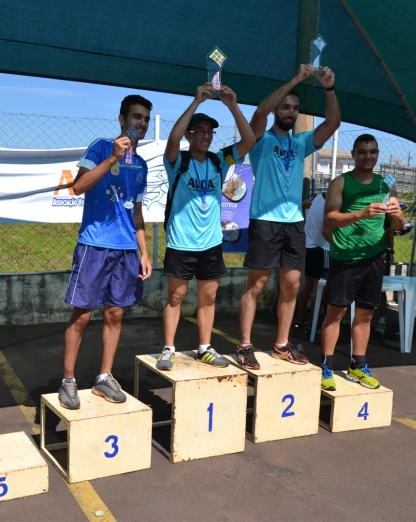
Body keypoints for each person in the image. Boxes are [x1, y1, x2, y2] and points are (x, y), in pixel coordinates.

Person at [236, 63, 341, 367]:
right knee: (255, 284)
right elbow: (258, 113)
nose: (290, 111)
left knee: (292, 284)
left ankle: (281, 343)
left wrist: (329, 87)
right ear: (277, 109)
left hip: (294, 223)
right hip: (265, 221)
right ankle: (245, 345)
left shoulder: (300, 143)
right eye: (285, 106)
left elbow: (332, 123)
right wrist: (295, 79)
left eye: (294, 107)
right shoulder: (259, 140)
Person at [58, 95, 154, 410]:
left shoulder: (141, 165)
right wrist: (112, 158)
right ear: (121, 119)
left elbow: (136, 214)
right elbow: (79, 186)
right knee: (82, 314)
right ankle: (68, 380)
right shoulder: (100, 147)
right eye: (136, 117)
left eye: (145, 119)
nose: (141, 124)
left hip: (127, 250)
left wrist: (144, 251)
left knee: (115, 313)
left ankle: (104, 377)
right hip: (95, 244)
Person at [156, 83, 255, 371]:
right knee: (175, 297)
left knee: (208, 297)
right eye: (200, 131)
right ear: (191, 134)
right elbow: (173, 140)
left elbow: (249, 141)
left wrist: (233, 106)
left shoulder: (218, 160)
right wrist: (196, 102)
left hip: (210, 243)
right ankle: (168, 348)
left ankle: (204, 348)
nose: (206, 136)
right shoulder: (179, 161)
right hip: (181, 242)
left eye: (210, 132)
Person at [320, 134, 405, 390]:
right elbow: (329, 220)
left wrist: (398, 216)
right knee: (337, 313)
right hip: (346, 257)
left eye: (372, 152)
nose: (368, 156)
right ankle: (326, 366)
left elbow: (398, 226)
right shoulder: (340, 183)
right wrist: (361, 213)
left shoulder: (386, 185)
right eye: (362, 152)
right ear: (354, 155)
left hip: (375, 257)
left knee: (366, 315)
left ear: (377, 154)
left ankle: (358, 365)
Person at [294, 190, 332, 335]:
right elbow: (326, 232)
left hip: (308, 246)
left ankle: (301, 318)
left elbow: (302, 204)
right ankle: (313, 323)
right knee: (320, 289)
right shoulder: (330, 204)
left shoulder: (317, 198)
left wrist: (302, 222)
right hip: (321, 248)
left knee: (308, 285)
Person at [374, 214, 395, 335]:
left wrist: (391, 252)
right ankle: (348, 318)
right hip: (363, 256)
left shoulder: (385, 216)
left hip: (381, 256)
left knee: (381, 289)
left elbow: (389, 233)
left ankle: (382, 321)